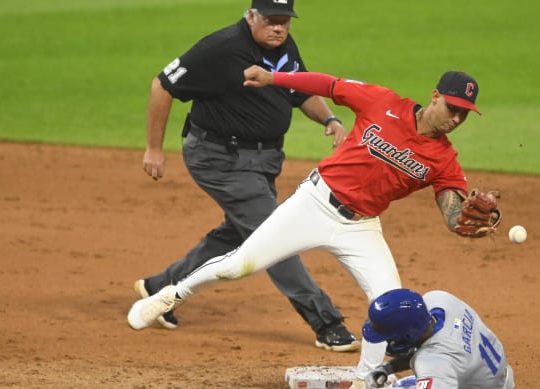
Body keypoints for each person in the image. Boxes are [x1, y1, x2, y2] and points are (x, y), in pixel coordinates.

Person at [127, 65, 502, 378]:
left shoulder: (445, 160)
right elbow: (328, 85)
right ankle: (170, 296)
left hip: (360, 227)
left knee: (386, 306)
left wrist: (474, 215)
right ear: (435, 96)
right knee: (239, 265)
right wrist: (275, 79)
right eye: (452, 107)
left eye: (464, 113)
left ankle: (365, 380)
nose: (456, 118)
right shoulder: (384, 102)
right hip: (314, 203)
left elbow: (454, 214)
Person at [135, 0, 360, 352]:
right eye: (271, 21)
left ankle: (163, 285)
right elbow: (162, 86)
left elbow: (300, 90)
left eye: (284, 21)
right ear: (251, 15)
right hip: (218, 158)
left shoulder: (284, 46)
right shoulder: (219, 48)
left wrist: (330, 120)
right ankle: (326, 322)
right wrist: (153, 149)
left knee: (241, 231)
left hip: (262, 161)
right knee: (274, 235)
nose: (278, 28)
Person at [362, 288, 514, 389]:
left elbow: (436, 359)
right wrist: (387, 368)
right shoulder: (439, 299)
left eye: (390, 336)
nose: (389, 340)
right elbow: (435, 351)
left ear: (408, 333)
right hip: (494, 373)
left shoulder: (432, 364)